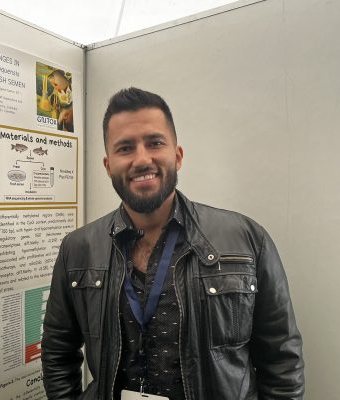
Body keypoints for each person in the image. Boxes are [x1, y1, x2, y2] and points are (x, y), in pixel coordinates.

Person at [41, 87, 304, 400]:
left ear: (177, 156)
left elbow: (281, 359)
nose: (142, 159)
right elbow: (58, 352)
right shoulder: (77, 249)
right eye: (125, 148)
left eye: (154, 143)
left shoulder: (247, 240)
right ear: (108, 165)